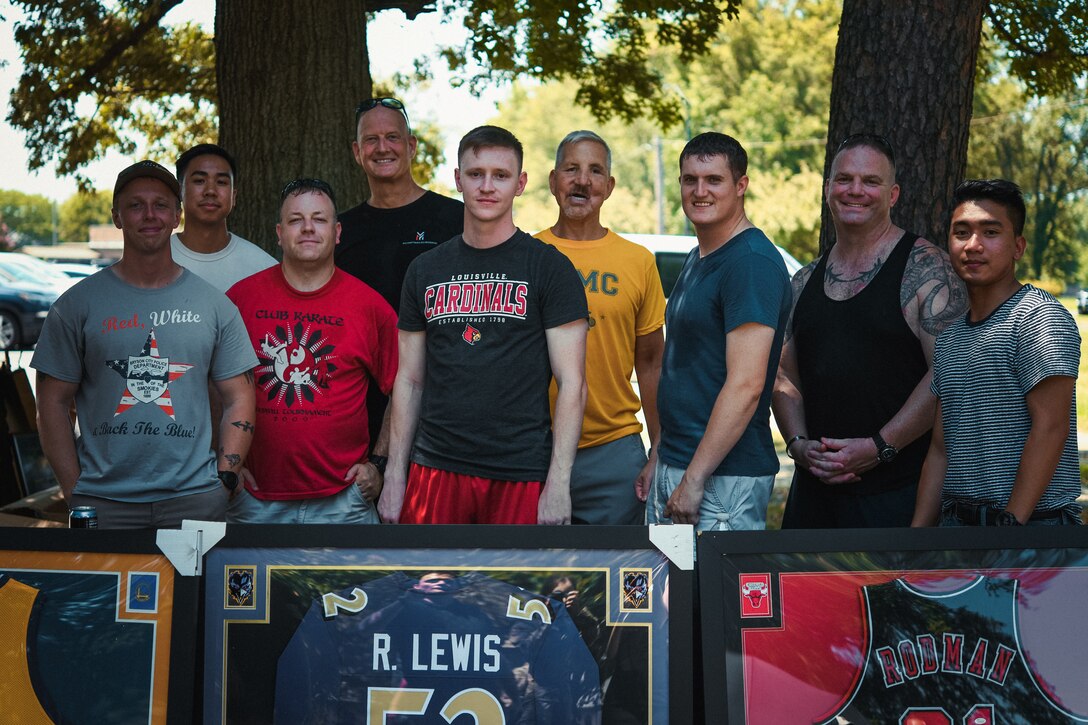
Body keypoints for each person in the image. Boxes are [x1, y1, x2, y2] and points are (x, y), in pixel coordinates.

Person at [378, 125, 588, 525]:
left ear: (520, 184)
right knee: (430, 587)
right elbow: (409, 380)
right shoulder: (425, 269)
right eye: (475, 174)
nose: (487, 186)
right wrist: (394, 473)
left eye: (501, 175)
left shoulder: (549, 268)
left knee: (512, 589)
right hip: (435, 466)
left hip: (520, 469)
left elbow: (573, 384)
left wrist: (559, 483)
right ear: (458, 179)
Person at [32, 160, 257, 528]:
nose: (149, 215)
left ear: (176, 215)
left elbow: (240, 395)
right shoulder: (75, 305)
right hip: (103, 504)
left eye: (161, 205)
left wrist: (226, 478)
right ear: (117, 216)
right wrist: (75, 491)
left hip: (194, 502)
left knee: (195, 589)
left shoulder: (215, 305)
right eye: (136, 205)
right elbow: (52, 403)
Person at [773, 134, 967, 528]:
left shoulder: (926, 268)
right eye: (844, 179)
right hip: (813, 498)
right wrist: (798, 444)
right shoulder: (803, 281)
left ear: (893, 194)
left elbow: (951, 372)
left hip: (896, 497)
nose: (855, 190)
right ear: (828, 189)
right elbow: (783, 375)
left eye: (870, 181)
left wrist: (880, 447)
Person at [225, 178, 398, 524]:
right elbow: (213, 388)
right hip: (253, 501)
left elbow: (406, 387)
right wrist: (227, 462)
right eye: (295, 220)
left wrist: (379, 465)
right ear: (278, 232)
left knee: (357, 582)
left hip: (345, 501)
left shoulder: (369, 306)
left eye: (319, 219)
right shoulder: (240, 300)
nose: (307, 228)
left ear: (336, 232)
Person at [912, 179, 1081, 527]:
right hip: (957, 531)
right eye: (962, 232)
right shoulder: (950, 338)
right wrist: (917, 543)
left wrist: (1008, 530)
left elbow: (1050, 428)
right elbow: (941, 450)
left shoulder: (1039, 318)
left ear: (1018, 246)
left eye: (990, 232)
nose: (973, 245)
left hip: (1030, 533)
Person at [647, 132, 791, 531]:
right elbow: (686, 371)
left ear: (740, 185)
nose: (700, 190)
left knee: (712, 596)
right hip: (680, 464)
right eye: (689, 179)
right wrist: (659, 454)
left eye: (714, 180)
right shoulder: (699, 256)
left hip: (720, 480)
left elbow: (746, 385)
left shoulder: (750, 262)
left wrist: (694, 479)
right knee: (669, 596)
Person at [534, 130, 665, 525]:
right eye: (571, 169)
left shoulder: (637, 260)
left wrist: (658, 446)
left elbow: (652, 362)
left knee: (618, 581)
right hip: (535, 447)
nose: (582, 180)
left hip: (614, 452)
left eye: (595, 171)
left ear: (609, 186)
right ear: (554, 180)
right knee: (534, 582)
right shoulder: (527, 254)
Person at [336, 98, 464, 465]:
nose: (382, 147)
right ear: (357, 152)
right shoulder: (341, 231)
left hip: (441, 408)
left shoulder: (456, 219)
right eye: (371, 139)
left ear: (410, 146)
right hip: (359, 407)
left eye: (392, 136)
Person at [171, 143, 276, 292]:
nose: (211, 191)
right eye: (199, 181)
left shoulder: (264, 268)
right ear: (180, 191)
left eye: (221, 182)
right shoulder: (154, 260)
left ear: (233, 196)